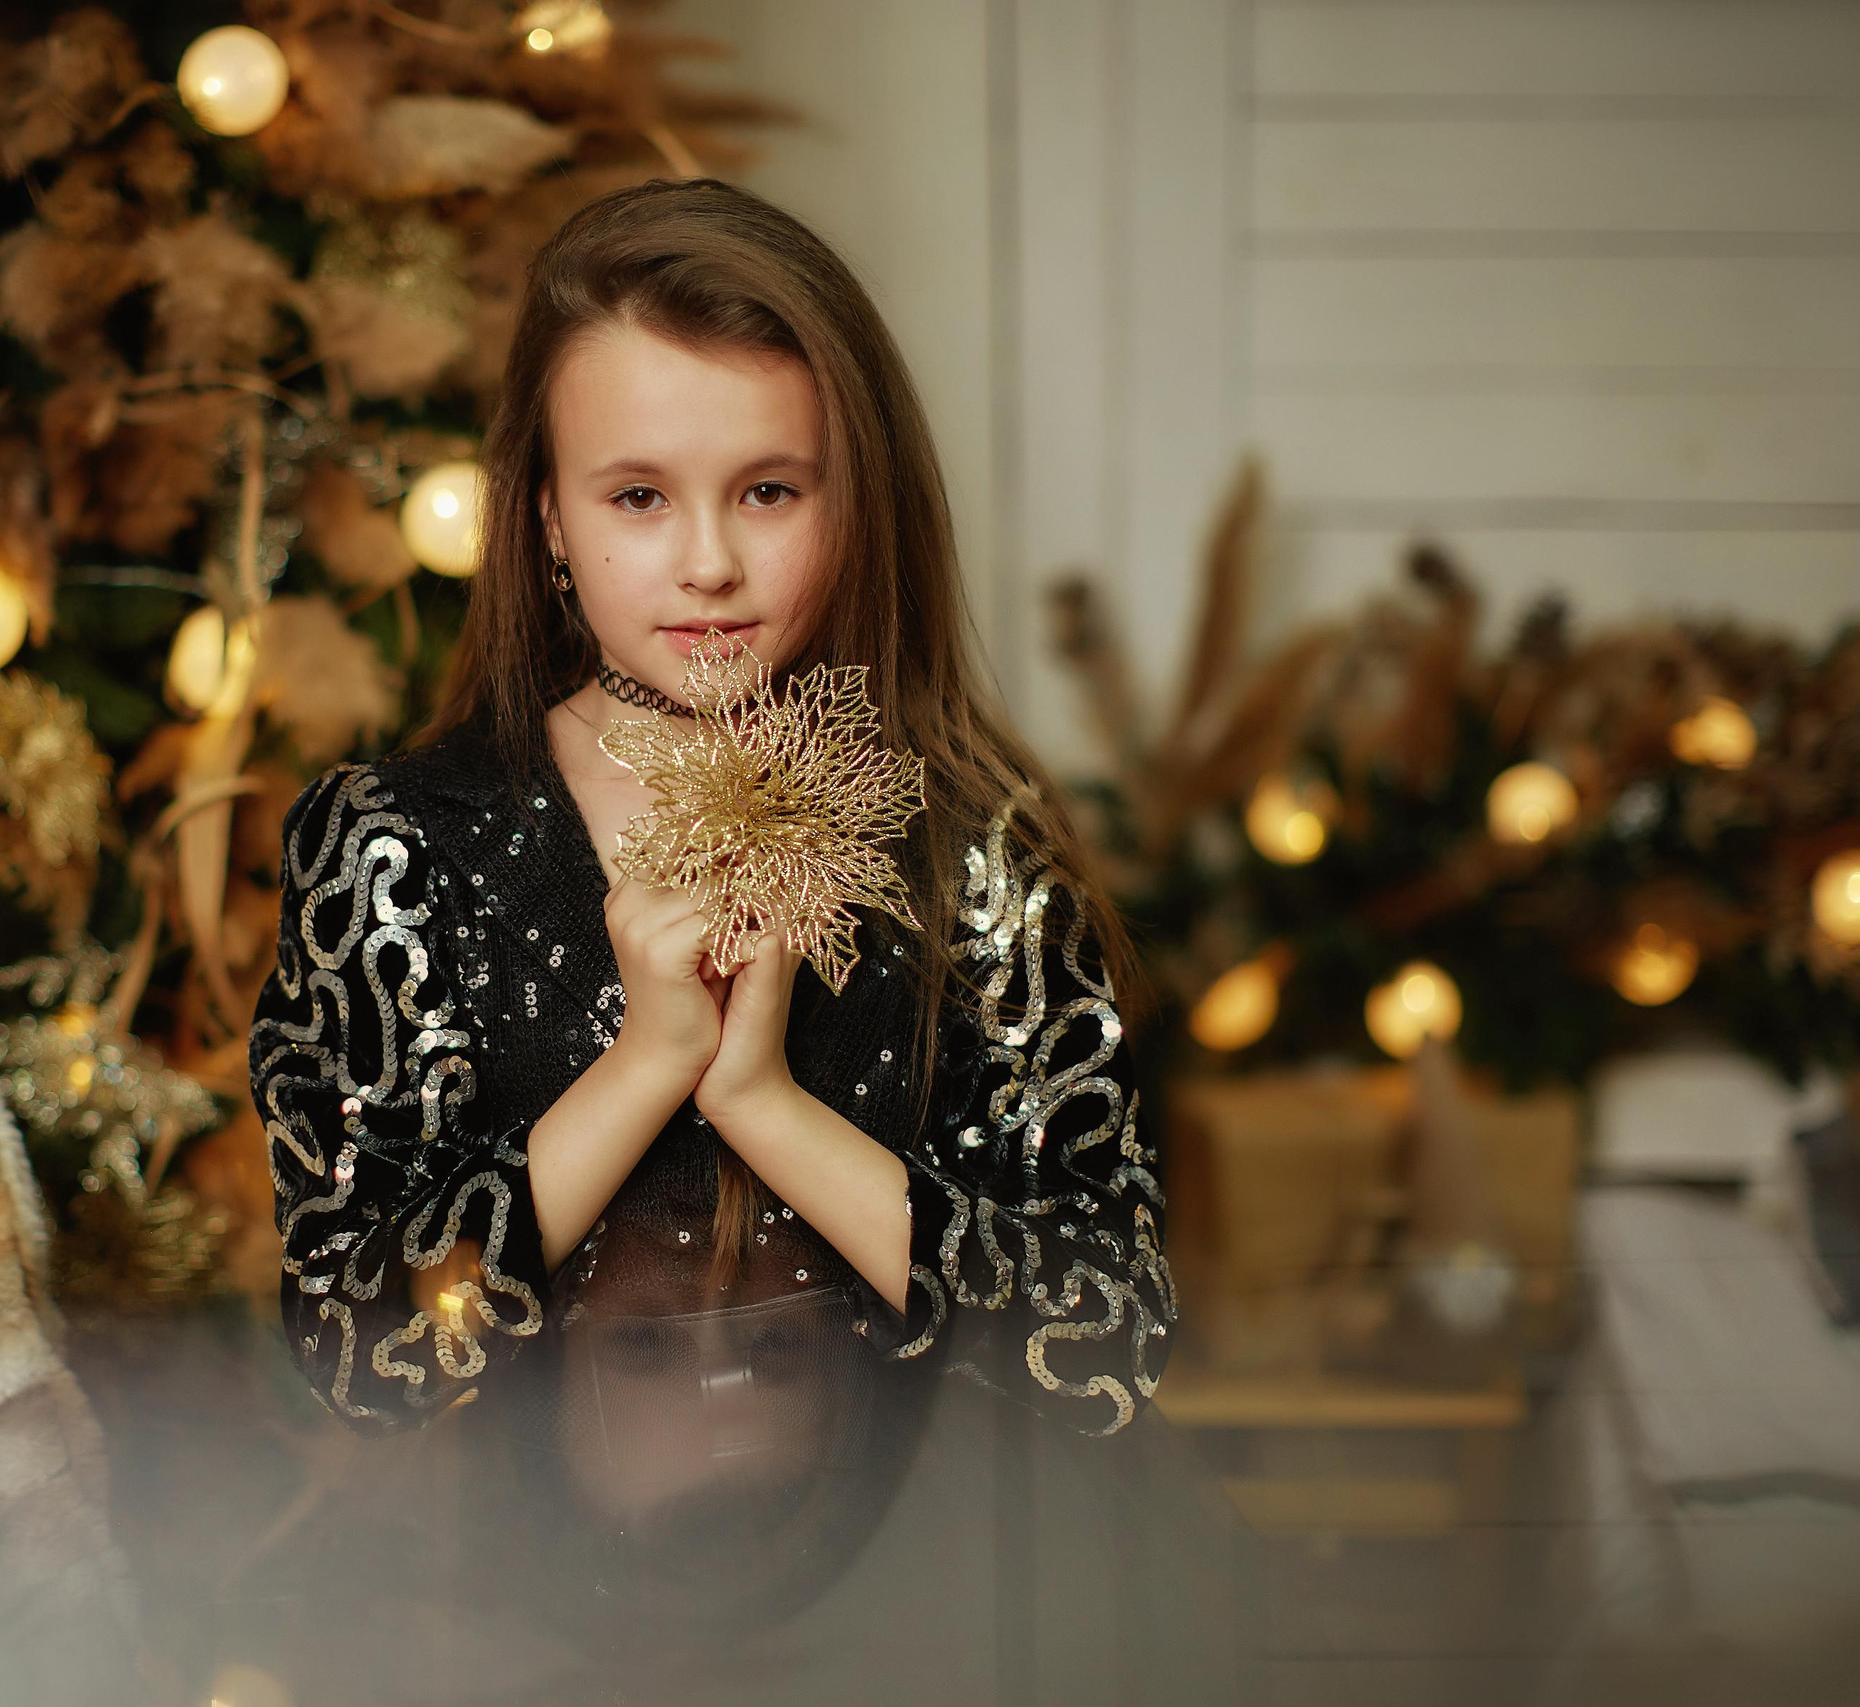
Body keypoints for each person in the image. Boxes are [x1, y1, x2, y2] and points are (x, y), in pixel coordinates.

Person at [252, 175, 1174, 1462]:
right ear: (547, 516)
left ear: (855, 502)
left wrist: (763, 1102)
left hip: (919, 1566)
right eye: (637, 497)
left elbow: (1106, 1344)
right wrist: (645, 1064)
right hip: (529, 1574)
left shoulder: (975, 852)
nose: (708, 565)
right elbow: (360, 1350)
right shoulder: (394, 849)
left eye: (768, 491)